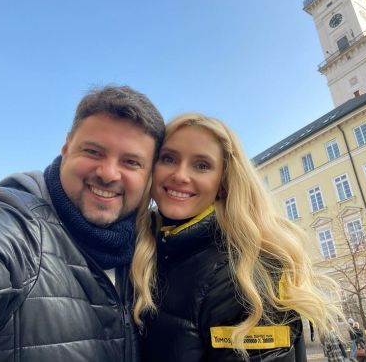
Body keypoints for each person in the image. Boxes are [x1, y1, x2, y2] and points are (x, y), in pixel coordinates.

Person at [0, 86, 165, 361]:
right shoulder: (18, 224)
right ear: (66, 147)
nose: (108, 173)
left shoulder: (147, 250)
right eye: (93, 152)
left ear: (150, 174)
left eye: (131, 162)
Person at [130, 113, 339, 361]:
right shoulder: (154, 249)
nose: (180, 175)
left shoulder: (244, 274)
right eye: (168, 158)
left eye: (202, 165)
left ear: (223, 182)